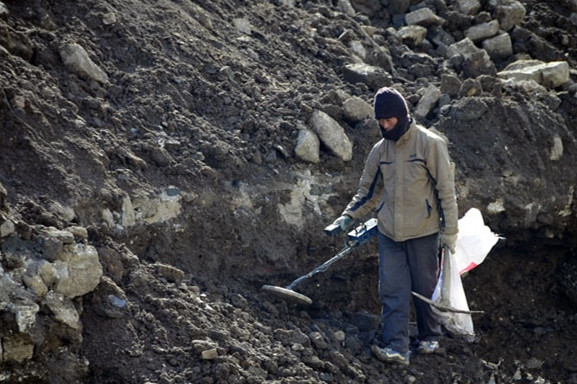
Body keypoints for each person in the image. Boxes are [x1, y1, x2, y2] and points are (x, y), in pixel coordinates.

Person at [329, 87, 458, 365]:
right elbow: (368, 191)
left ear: (402, 116)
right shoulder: (380, 151)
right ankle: (397, 347)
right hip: (390, 233)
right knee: (392, 288)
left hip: (424, 231)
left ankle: (429, 337)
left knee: (425, 287)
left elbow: (446, 191)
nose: (385, 126)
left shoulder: (429, 144)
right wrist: (348, 217)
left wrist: (450, 232)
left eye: (390, 120)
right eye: (381, 122)